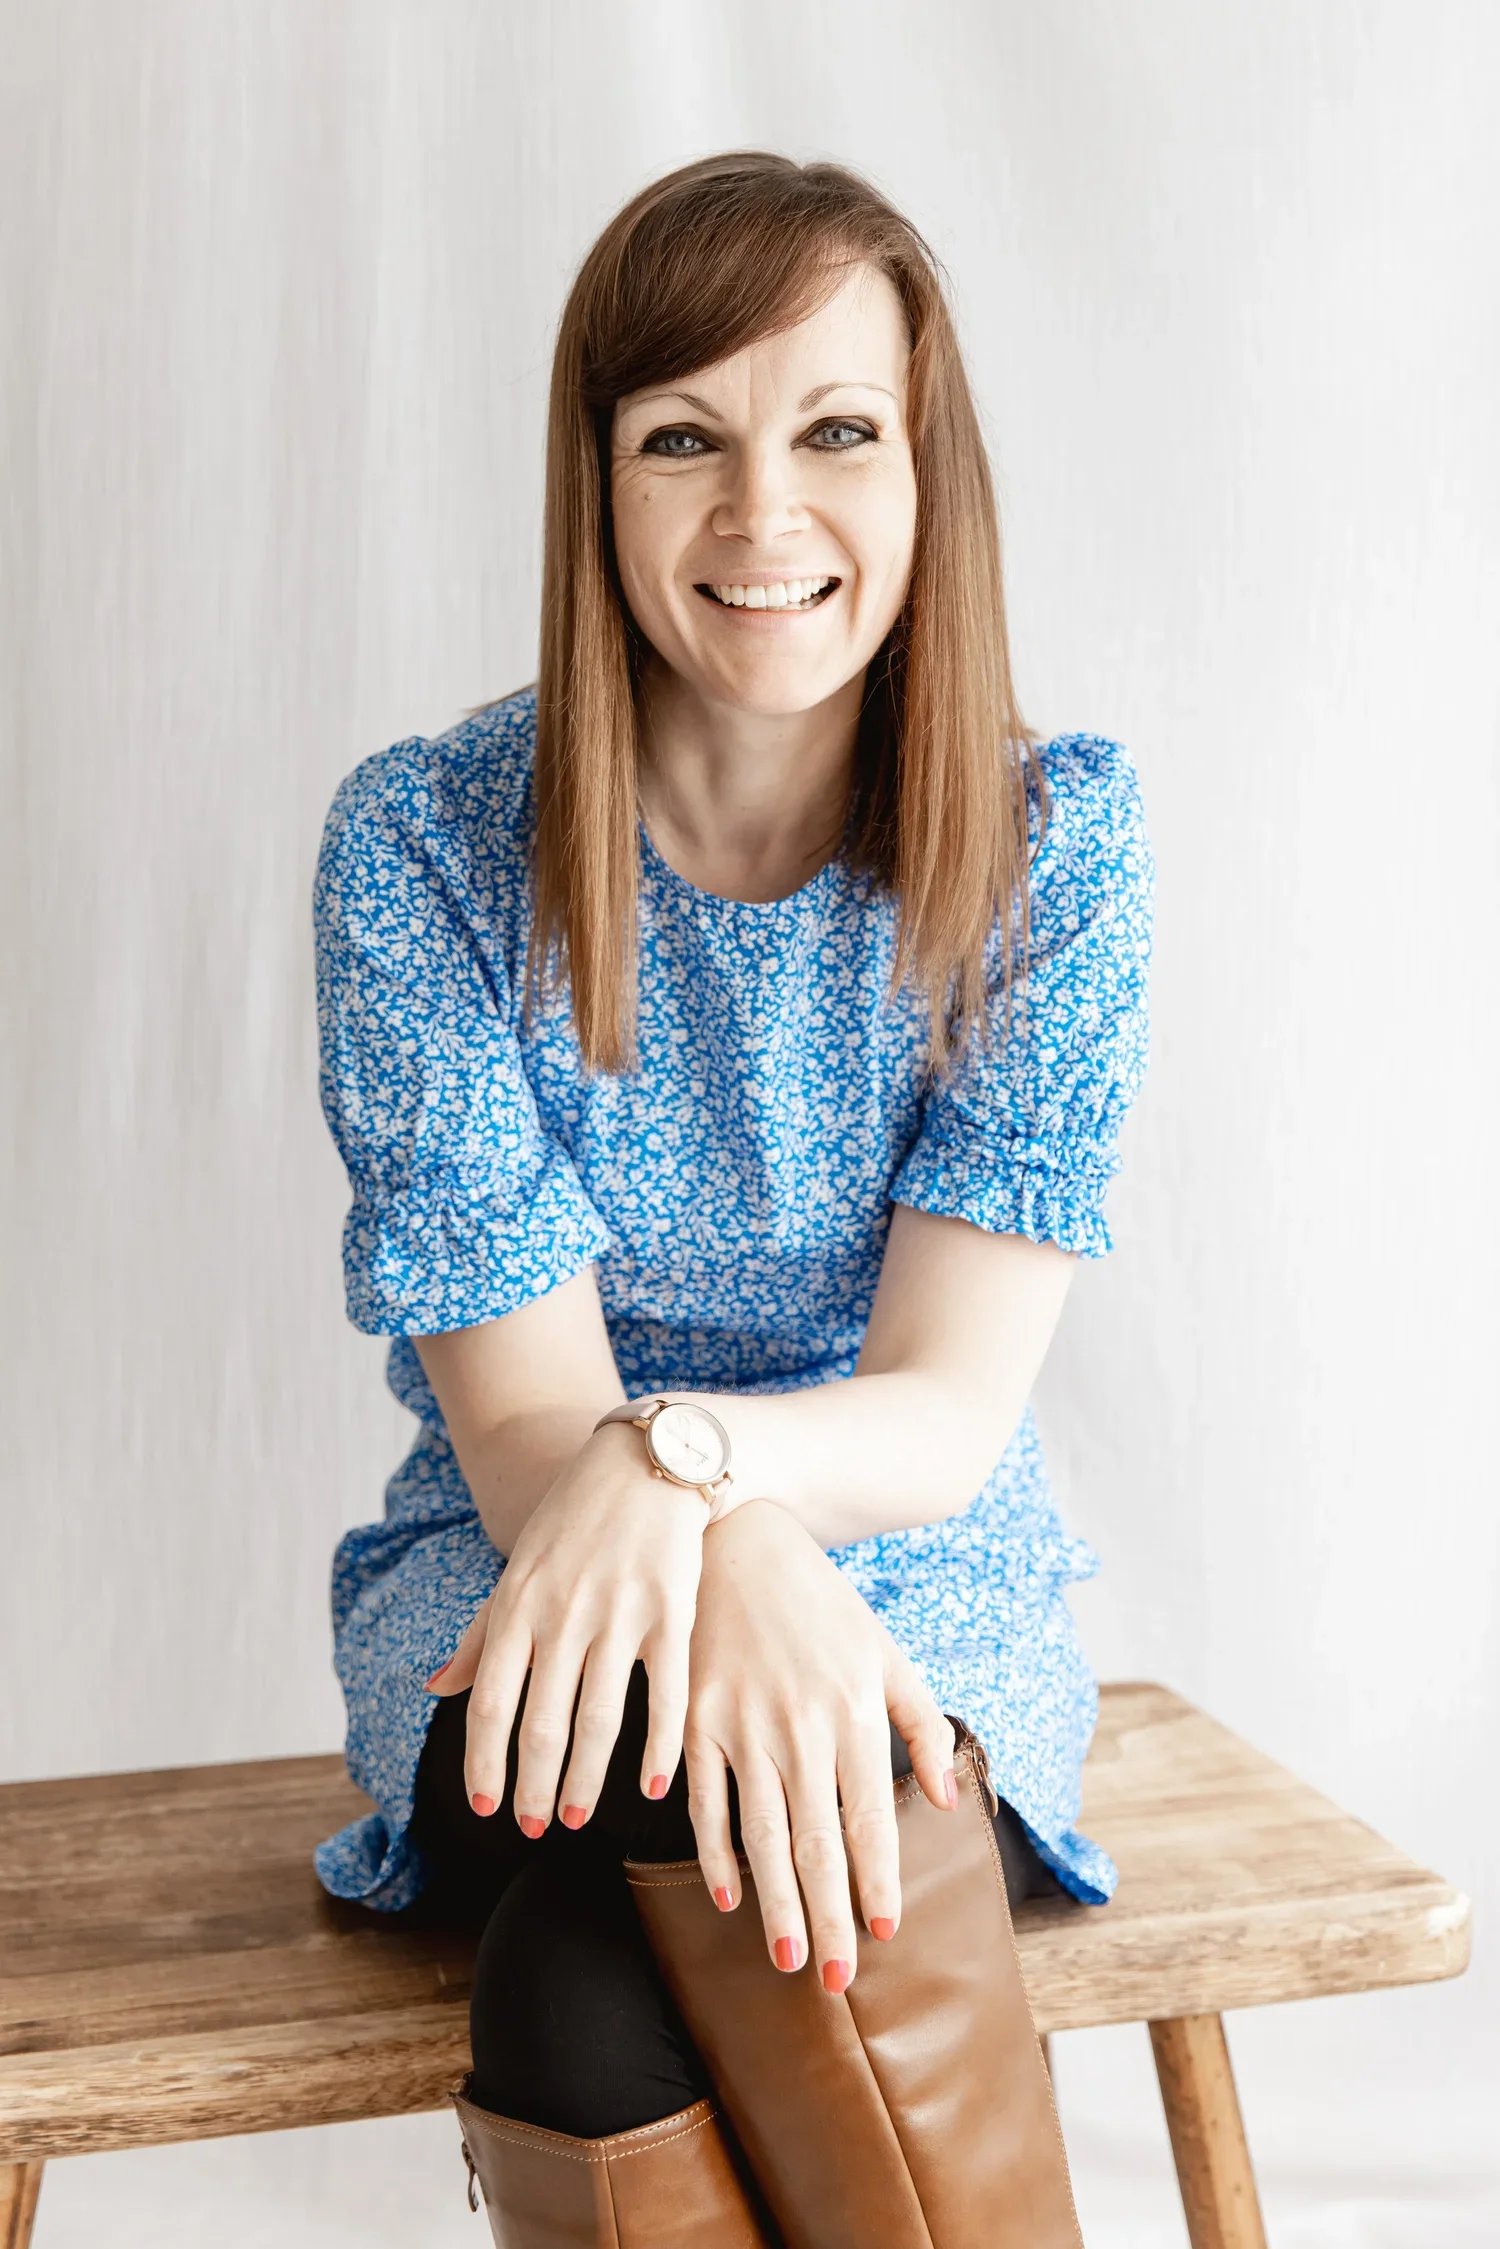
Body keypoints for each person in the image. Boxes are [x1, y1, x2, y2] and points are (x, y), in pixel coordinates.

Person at [310, 150, 1154, 2246]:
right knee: (674, 1808)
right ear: (596, 489)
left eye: (837, 433)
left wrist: (696, 1472)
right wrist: (728, 1534)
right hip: (529, 1567)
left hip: (920, 1573)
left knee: (587, 1984)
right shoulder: (424, 848)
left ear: (929, 479)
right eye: (684, 439)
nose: (763, 514)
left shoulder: (1052, 849)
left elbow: (944, 1412)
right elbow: (529, 1430)